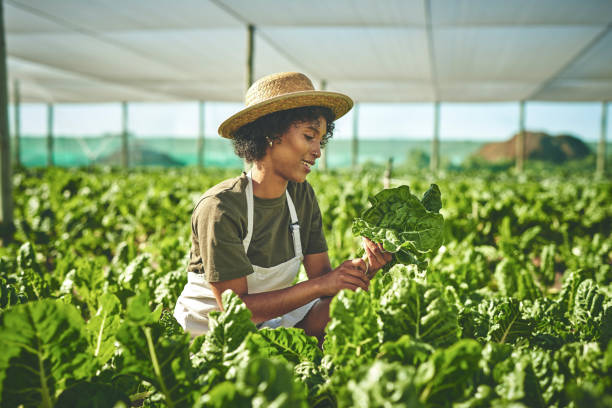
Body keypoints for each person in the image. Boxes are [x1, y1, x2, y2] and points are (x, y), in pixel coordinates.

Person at [173, 72, 392, 345]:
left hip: (268, 329)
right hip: (208, 338)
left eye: (320, 140)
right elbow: (236, 310)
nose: (318, 151)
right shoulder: (221, 207)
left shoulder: (302, 196)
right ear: (271, 134)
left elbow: (326, 289)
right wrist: (323, 285)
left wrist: (366, 270)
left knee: (343, 318)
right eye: (309, 136)